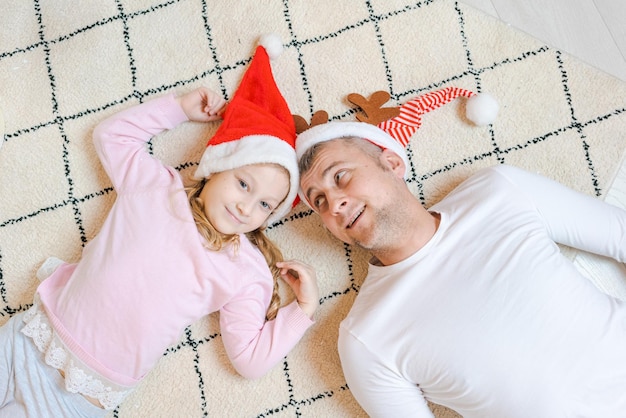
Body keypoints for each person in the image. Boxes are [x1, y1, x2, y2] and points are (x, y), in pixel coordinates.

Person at [0, 35, 318, 416]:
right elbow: (110, 136)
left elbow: (249, 359)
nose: (246, 205)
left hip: (80, 396)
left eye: (265, 204)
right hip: (32, 338)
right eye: (243, 183)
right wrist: (178, 109)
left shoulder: (245, 269)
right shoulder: (156, 187)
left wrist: (303, 307)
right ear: (215, 168)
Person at [295, 120, 626, 417]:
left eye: (340, 177)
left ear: (392, 163)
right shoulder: (364, 339)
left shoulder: (497, 192)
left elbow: (619, 233)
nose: (334, 204)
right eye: (319, 201)